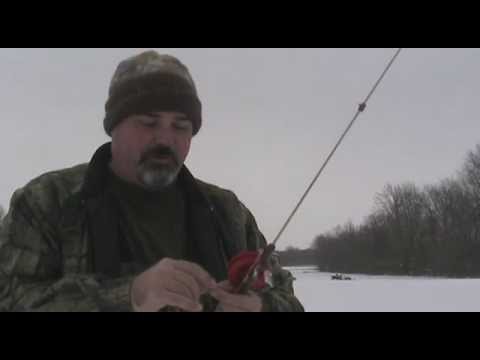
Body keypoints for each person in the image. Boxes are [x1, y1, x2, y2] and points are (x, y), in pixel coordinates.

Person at [0, 50, 305, 312]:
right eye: (149, 123)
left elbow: (285, 295)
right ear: (113, 126)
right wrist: (130, 295)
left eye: (180, 126)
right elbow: (11, 298)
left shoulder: (228, 213)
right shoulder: (46, 203)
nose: (165, 138)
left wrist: (260, 306)